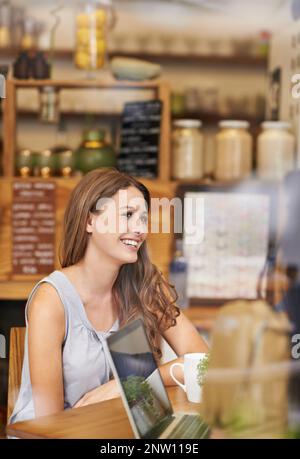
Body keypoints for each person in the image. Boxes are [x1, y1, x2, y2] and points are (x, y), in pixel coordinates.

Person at [9, 168, 208, 424]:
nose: (139, 230)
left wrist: (129, 386)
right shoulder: (51, 300)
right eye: (127, 215)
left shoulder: (144, 285)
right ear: (89, 221)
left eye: (143, 219)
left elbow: (203, 363)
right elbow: (50, 424)